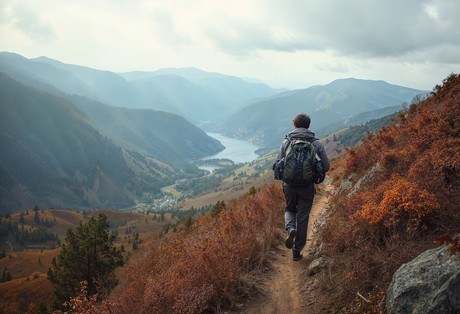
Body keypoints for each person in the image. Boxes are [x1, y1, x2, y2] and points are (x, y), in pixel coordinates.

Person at [276, 113, 330, 261]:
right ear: (308, 126)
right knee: (303, 217)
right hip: (307, 186)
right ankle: (297, 250)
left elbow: (279, 164)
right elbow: (326, 166)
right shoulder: (316, 144)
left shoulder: (286, 142)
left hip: (289, 185)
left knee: (289, 209)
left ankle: (290, 228)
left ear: (294, 125)